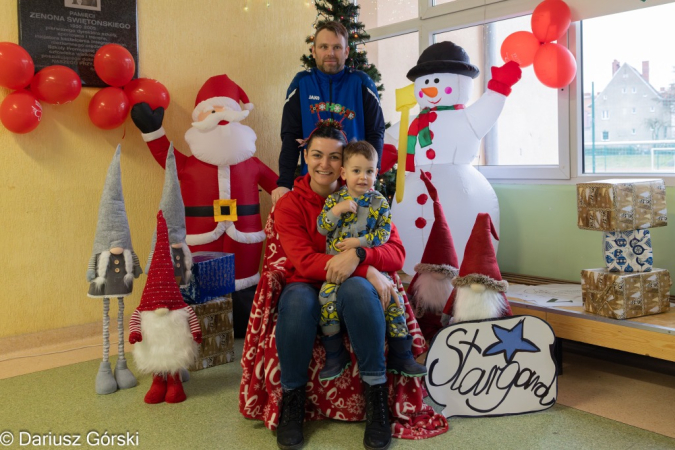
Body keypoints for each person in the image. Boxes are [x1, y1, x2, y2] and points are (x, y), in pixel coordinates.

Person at [273, 125, 402, 450]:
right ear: (305, 157)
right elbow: (302, 261)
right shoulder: (290, 204)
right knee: (299, 303)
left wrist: (362, 257)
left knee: (359, 292)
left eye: (334, 157)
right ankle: (292, 400)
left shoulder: (368, 198)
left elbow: (396, 251)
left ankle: (376, 399)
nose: (325, 164)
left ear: (344, 165)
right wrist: (363, 267)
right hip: (305, 283)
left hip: (350, 286)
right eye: (317, 155)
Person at [315, 140, 427, 382]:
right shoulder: (335, 200)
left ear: (376, 173)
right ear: (344, 173)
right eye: (356, 171)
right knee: (325, 298)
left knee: (392, 297)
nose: (362, 177)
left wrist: (358, 244)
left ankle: (401, 353)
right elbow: (322, 228)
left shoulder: (379, 202)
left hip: (370, 266)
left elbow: (383, 234)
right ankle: (335, 353)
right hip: (338, 269)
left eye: (369, 171)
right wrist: (336, 211)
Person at [271, 21, 385, 205]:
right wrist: (284, 182)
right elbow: (290, 136)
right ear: (314, 51)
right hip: (313, 184)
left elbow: (376, 133)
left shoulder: (362, 83)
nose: (330, 53)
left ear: (346, 52)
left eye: (337, 47)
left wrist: (371, 175)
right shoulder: (302, 83)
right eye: (324, 46)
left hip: (354, 186)